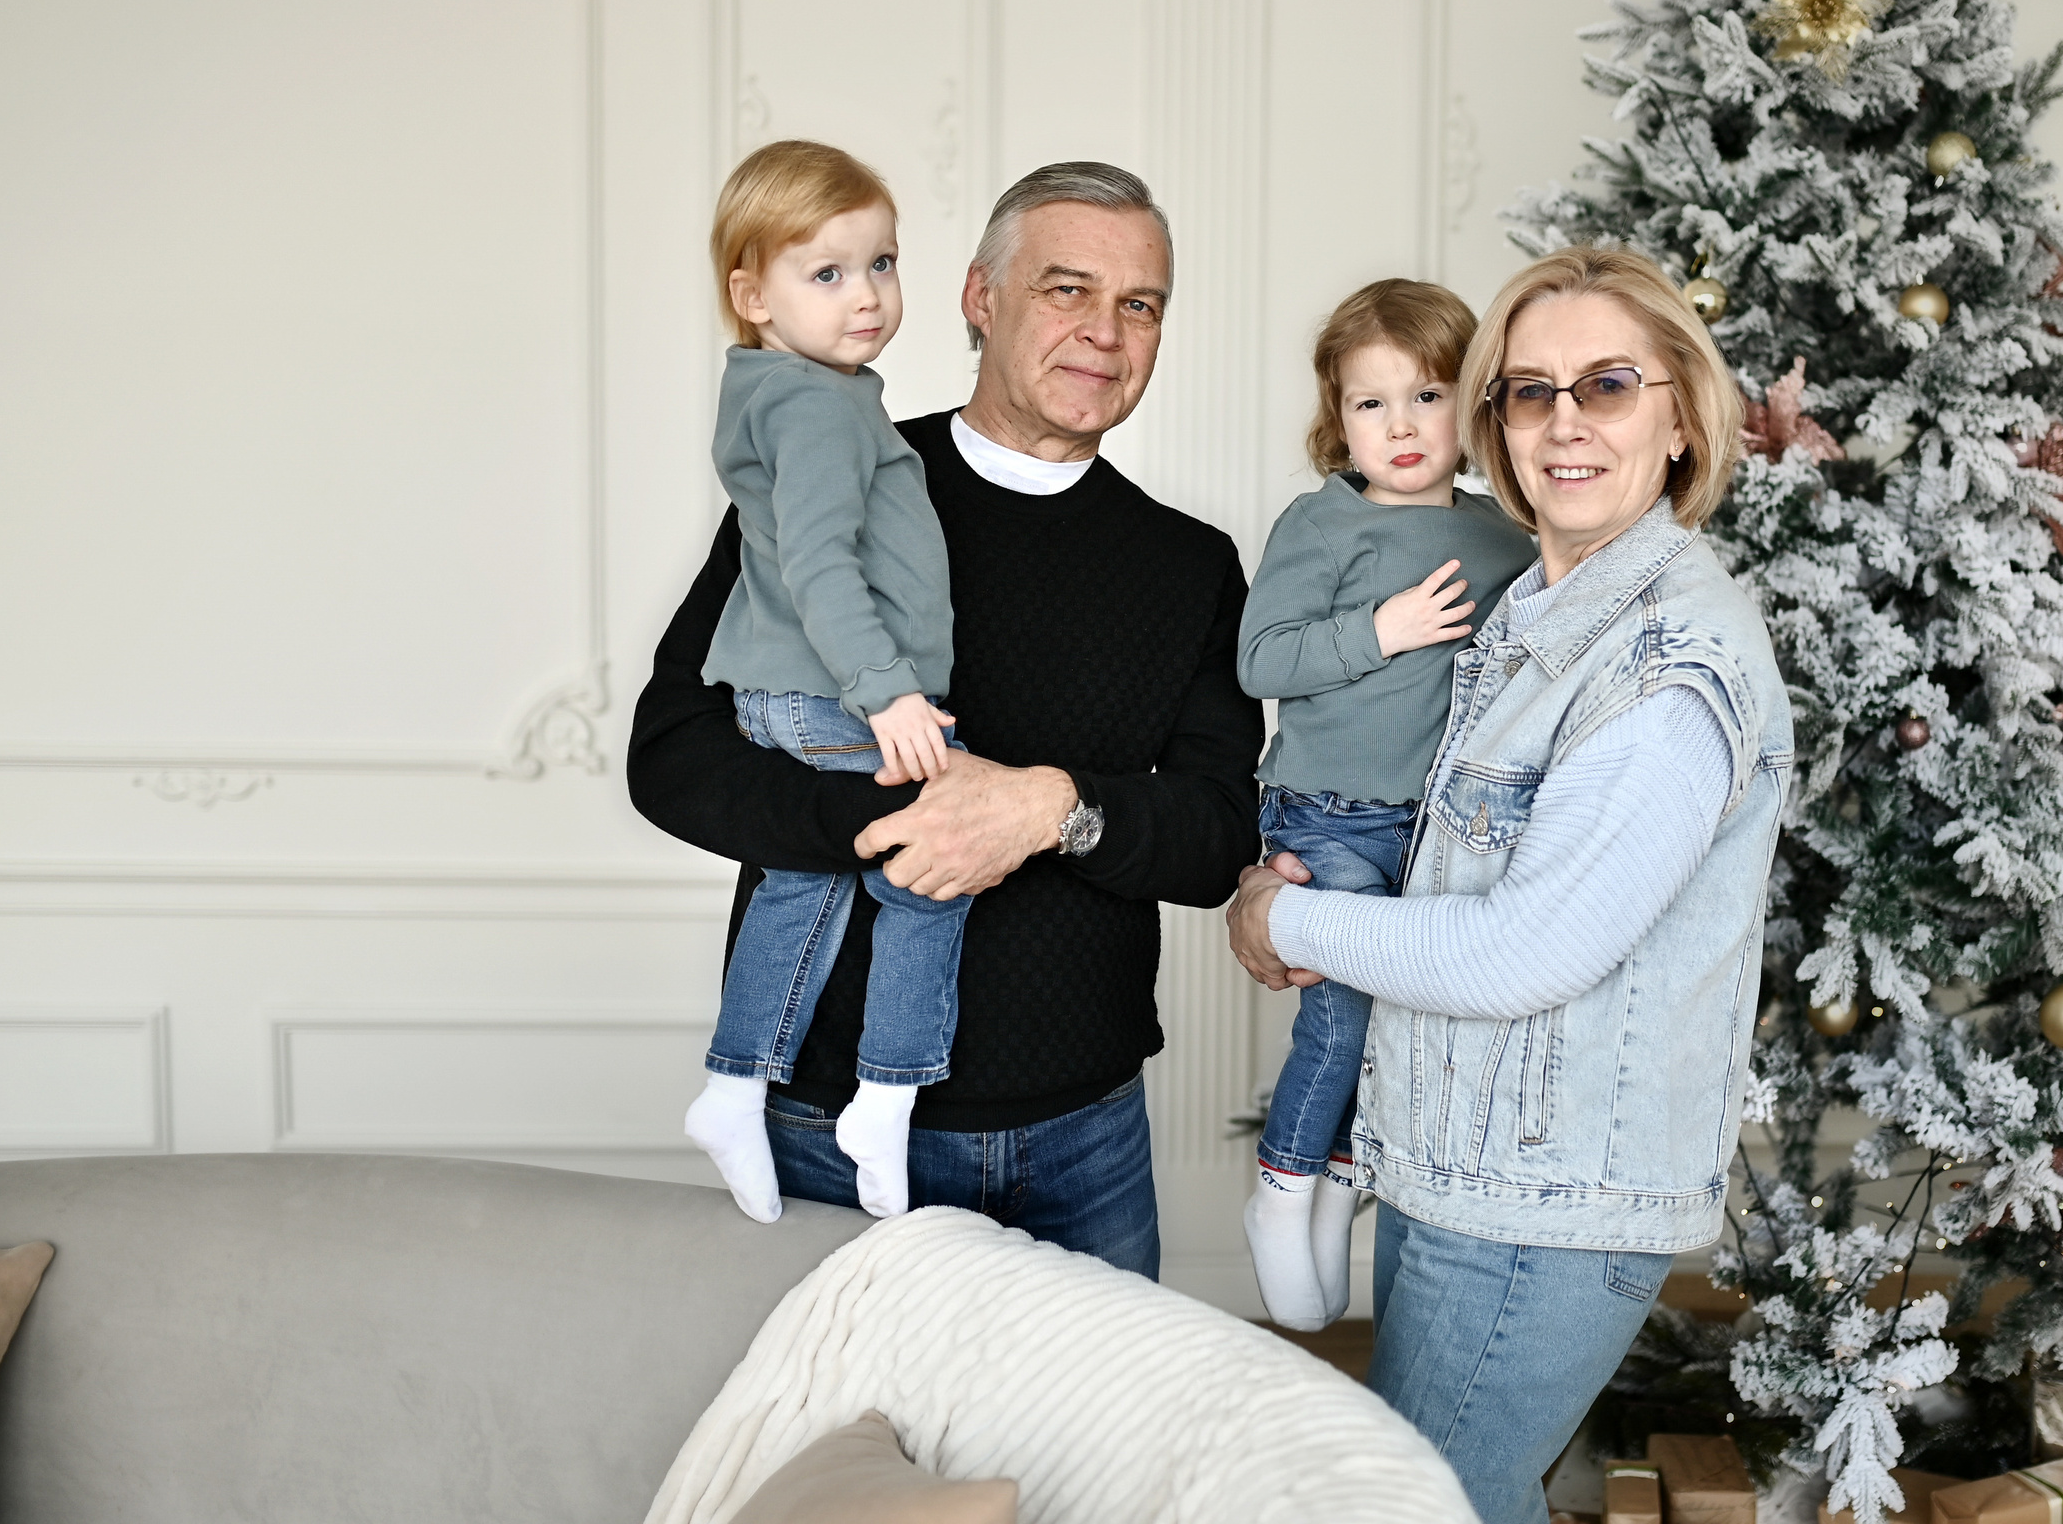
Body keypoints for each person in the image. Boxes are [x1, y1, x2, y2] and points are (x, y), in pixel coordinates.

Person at [1225, 246, 1789, 1524]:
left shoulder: (1663, 665)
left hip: (1545, 1202)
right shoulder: (1536, 614)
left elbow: (1527, 950)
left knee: (1434, 1505)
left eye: (1605, 384)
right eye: (1527, 393)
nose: (1564, 422)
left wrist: (1282, 915)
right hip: (1453, 1165)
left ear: (1683, 418)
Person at [630, 162, 1262, 1276]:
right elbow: (673, 755)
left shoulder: (1191, 565)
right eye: (1066, 289)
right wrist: (892, 826)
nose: (1104, 333)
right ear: (980, 298)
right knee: (837, 1451)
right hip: (826, 1128)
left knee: (1087, 1455)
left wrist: (1047, 810)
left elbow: (1215, 839)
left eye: (1139, 304)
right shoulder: (840, 472)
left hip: (1087, 1136)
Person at [1233, 279, 1531, 1331]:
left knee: (1405, 1020)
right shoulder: (1325, 523)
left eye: (1426, 396)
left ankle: (1337, 1176)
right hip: (1326, 811)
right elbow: (1258, 658)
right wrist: (1382, 630)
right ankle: (1279, 1186)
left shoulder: (1509, 540)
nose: (1399, 427)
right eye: (1370, 404)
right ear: (1337, 420)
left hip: (1439, 830)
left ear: (1475, 409)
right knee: (1343, 1008)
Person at [683, 141, 970, 1224]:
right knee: (934, 866)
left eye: (882, 264)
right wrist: (886, 690)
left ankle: (735, 1083)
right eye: (828, 274)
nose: (868, 297)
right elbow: (817, 562)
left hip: (810, 688)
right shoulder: (810, 406)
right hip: (828, 690)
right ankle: (882, 1099)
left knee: (809, 876)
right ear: (750, 297)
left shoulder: (816, 394)